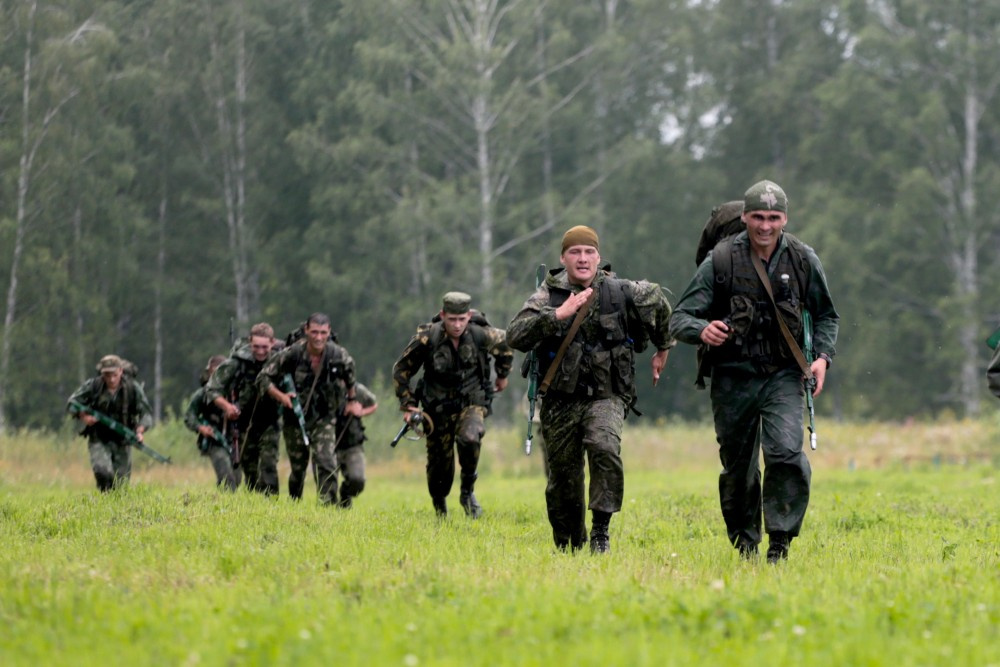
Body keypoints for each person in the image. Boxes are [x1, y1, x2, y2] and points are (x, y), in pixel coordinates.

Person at [668, 180, 839, 563]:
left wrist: (822, 357)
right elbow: (680, 318)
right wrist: (702, 330)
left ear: (785, 218)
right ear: (744, 217)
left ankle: (779, 540)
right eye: (758, 217)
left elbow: (826, 315)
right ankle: (745, 543)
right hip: (732, 376)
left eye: (774, 217)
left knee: (785, 452)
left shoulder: (802, 258)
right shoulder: (722, 260)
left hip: (783, 374)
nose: (765, 226)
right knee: (739, 468)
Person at [506, 226, 674, 553]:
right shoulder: (548, 295)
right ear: (563, 257)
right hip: (560, 399)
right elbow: (514, 335)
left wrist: (664, 346)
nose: (582, 259)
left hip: (607, 393)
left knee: (604, 446)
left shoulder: (620, 290)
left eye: (588, 252)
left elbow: (658, 300)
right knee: (563, 481)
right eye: (575, 252)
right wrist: (557, 315)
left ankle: (600, 531)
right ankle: (570, 544)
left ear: (598, 257)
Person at [392, 292, 513, 518]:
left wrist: (503, 376)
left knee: (470, 436)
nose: (457, 325)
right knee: (439, 469)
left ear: (468, 316)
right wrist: (408, 405)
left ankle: (467, 491)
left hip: (471, 402)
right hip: (436, 408)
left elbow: (506, 344)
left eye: (461, 319)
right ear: (442, 316)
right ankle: (440, 508)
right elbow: (401, 370)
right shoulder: (428, 337)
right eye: (452, 320)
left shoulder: (481, 334)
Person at [258, 313, 357, 505]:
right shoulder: (293, 353)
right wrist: (282, 396)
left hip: (324, 417)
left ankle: (327, 505)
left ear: (329, 332)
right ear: (306, 331)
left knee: (326, 460)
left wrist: (352, 400)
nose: (318, 338)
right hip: (295, 418)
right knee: (298, 468)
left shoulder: (338, 354)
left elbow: (350, 375)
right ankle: (295, 502)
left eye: (322, 333)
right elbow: (263, 378)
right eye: (314, 333)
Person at [205, 322, 282, 496]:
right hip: (244, 422)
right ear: (249, 342)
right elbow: (212, 388)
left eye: (264, 347)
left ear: (272, 342)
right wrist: (227, 407)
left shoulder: (280, 360)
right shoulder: (237, 362)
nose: (260, 351)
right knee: (250, 469)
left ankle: (271, 507)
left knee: (269, 465)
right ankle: (255, 504)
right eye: (256, 346)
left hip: (270, 421)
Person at [67, 354, 154, 492]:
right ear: (102, 374)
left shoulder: (132, 388)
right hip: (99, 438)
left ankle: (115, 510)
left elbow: (146, 414)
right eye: (107, 375)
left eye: (114, 374)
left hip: (123, 439)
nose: (111, 379)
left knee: (120, 486)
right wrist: (84, 416)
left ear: (120, 371)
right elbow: (72, 403)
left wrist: (140, 431)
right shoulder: (94, 386)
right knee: (103, 472)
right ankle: (104, 501)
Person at [184, 354, 240, 491]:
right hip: (214, 440)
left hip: (234, 439)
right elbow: (189, 416)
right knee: (227, 477)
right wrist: (200, 427)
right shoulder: (202, 395)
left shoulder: (235, 392)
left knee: (237, 478)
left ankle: (220, 500)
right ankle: (226, 507)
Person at [333, 381, 378, 508]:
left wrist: (361, 412)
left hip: (352, 444)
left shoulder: (359, 390)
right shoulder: (327, 387)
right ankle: (328, 510)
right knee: (327, 483)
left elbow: (374, 404)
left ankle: (345, 493)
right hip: (330, 443)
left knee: (358, 481)